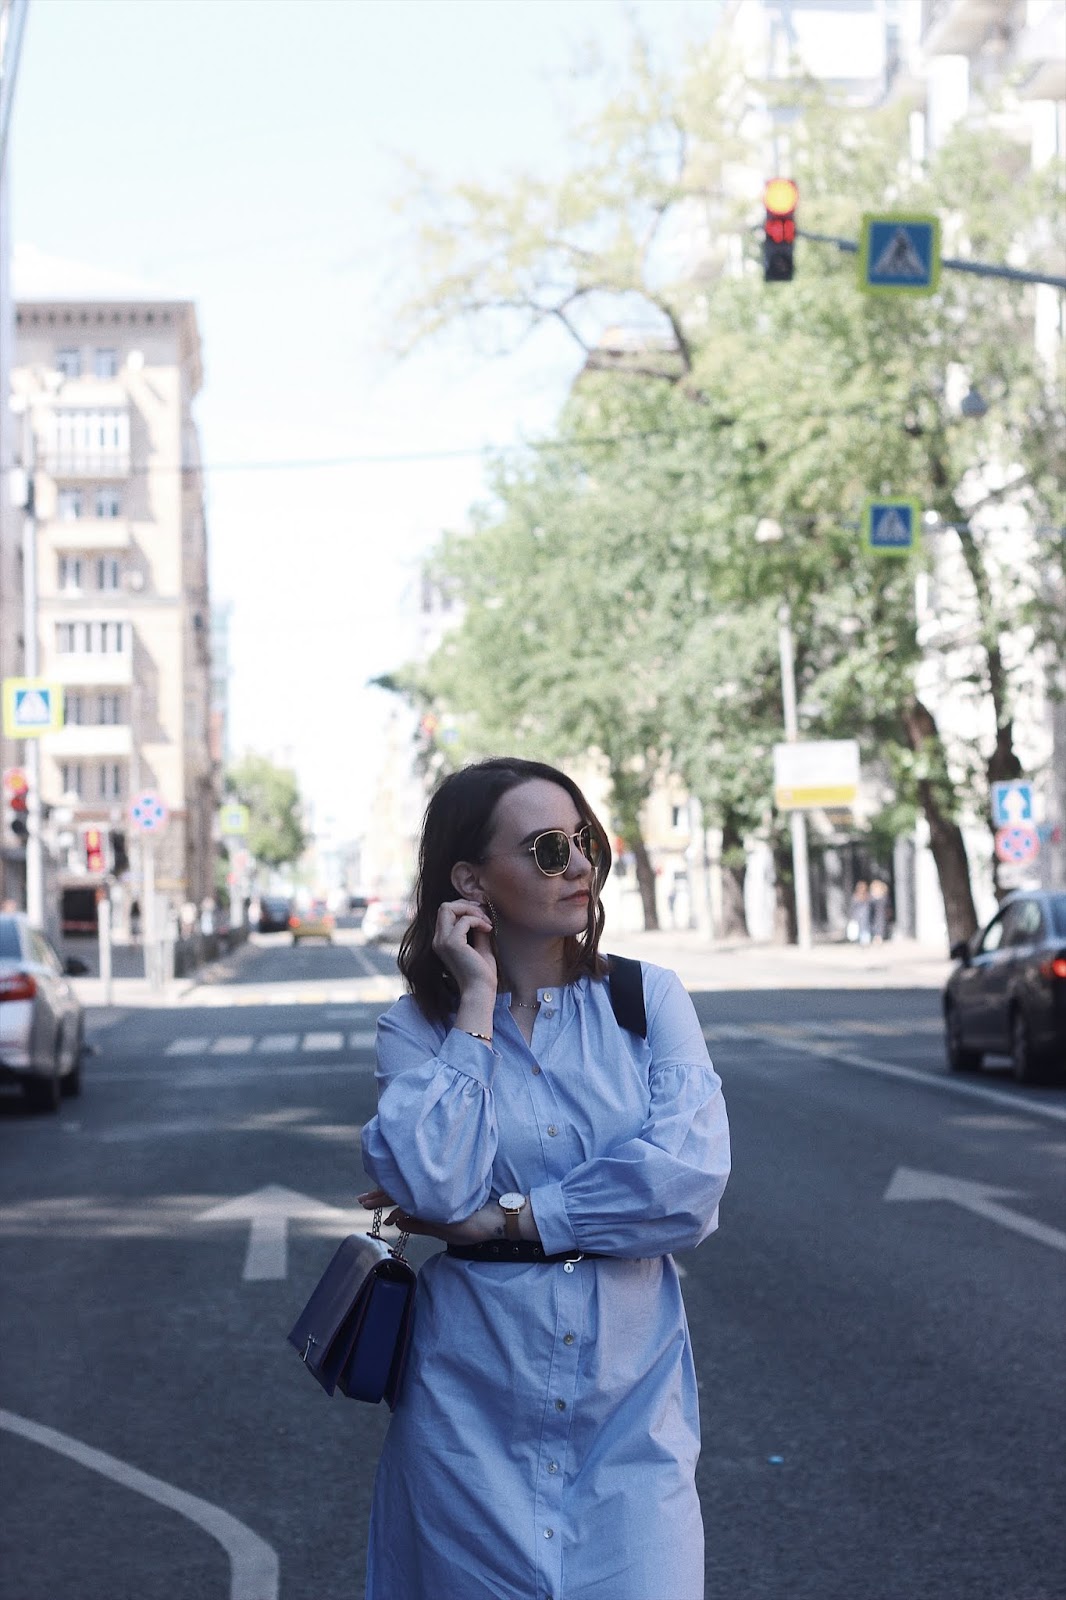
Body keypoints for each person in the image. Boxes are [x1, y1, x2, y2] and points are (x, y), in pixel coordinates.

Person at [358, 757, 731, 1600]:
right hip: (466, 1425)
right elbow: (434, 1187)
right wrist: (476, 1005)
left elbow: (687, 1184)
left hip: (631, 1422)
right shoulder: (418, 1030)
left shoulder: (648, 1000)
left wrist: (506, 1220)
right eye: (548, 849)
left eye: (584, 840)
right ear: (470, 880)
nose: (580, 865)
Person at [848, 880, 871, 945]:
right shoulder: (866, 897)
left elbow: (852, 908)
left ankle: (863, 941)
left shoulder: (857, 897)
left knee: (863, 928)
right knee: (864, 928)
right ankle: (864, 941)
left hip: (860, 916)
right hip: (863, 916)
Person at [869, 876, 890, 943]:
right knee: (875, 925)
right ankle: (876, 937)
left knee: (880, 925)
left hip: (881, 915)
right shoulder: (872, 898)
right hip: (875, 915)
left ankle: (879, 937)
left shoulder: (883, 897)